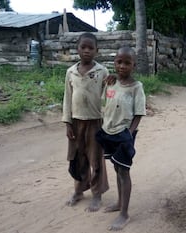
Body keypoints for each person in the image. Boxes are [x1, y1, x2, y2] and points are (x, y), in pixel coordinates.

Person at [95, 47, 146, 231]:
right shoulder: (111, 83)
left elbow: (139, 113)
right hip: (108, 131)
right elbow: (105, 105)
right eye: (119, 62)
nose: (122, 66)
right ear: (114, 63)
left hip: (124, 134)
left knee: (124, 172)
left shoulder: (136, 87)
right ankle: (118, 202)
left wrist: (130, 134)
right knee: (117, 168)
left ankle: (124, 214)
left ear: (134, 65)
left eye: (127, 62)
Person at [62, 32, 109, 212]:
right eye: (83, 47)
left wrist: (108, 121)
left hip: (95, 122)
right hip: (75, 122)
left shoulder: (102, 71)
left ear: (97, 50)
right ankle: (79, 190)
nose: (87, 51)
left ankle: (97, 194)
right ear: (78, 49)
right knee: (77, 158)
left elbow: (108, 97)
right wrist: (67, 122)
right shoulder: (71, 72)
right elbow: (67, 98)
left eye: (91, 48)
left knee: (95, 159)